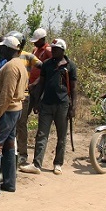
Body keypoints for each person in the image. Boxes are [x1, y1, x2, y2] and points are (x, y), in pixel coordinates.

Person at [20, 38, 77, 175]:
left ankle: (58, 163)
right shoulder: (46, 64)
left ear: (62, 50)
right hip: (46, 104)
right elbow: (41, 83)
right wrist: (37, 101)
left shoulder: (70, 66)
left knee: (61, 136)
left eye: (56, 49)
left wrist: (73, 107)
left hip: (62, 105)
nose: (53, 50)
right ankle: (37, 164)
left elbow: (74, 89)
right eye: (53, 48)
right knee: (42, 134)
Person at [0, 35, 28, 193]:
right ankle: (9, 183)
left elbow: (7, 94)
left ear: (8, 49)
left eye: (2, 47)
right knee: (9, 146)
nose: (0, 50)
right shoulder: (19, 64)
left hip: (7, 111)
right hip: (14, 110)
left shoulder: (11, 66)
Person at [17, 28, 52, 165]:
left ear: (43, 39)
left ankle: (26, 154)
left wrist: (37, 83)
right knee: (21, 120)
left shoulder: (48, 50)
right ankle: (19, 151)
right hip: (30, 88)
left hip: (39, 89)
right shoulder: (34, 51)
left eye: (37, 41)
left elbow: (46, 70)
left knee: (23, 122)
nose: (35, 43)